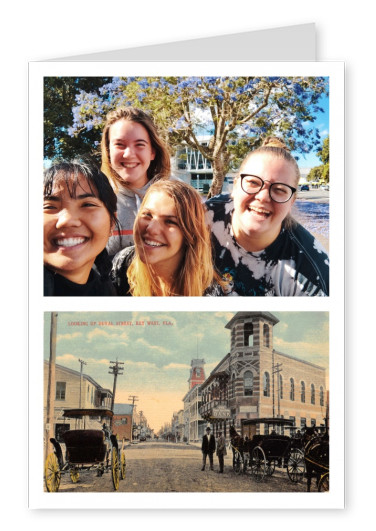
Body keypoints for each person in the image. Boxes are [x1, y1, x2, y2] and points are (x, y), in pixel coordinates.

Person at [206, 137, 329, 296]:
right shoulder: (203, 217)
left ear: (292, 201)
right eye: (253, 183)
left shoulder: (311, 274)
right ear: (235, 186)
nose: (263, 197)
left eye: (279, 189)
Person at [111, 180, 223, 296]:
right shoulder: (122, 264)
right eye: (147, 215)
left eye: (170, 222)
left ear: (190, 234)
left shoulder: (209, 292)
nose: (151, 229)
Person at [100, 106, 171, 257]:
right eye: (119, 144)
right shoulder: (95, 200)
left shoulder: (176, 198)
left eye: (139, 144)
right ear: (108, 150)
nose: (129, 154)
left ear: (152, 152)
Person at [43, 158, 118, 296]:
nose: (67, 221)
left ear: (112, 223)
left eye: (87, 205)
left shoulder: (106, 292)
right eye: (49, 207)